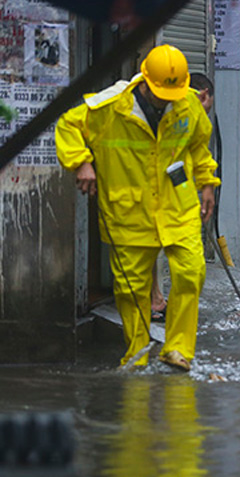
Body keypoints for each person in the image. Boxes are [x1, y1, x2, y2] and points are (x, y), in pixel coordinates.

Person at [56, 44, 219, 371]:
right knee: (132, 289)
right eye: (162, 93)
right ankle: (138, 350)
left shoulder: (187, 103)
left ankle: (178, 349)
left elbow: (199, 145)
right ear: (144, 80)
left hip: (178, 205)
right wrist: (81, 162)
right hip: (128, 210)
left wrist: (207, 184)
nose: (168, 99)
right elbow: (67, 125)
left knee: (191, 273)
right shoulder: (110, 107)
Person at [151, 71, 215, 322]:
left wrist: (206, 185)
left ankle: (162, 303)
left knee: (189, 265)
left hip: (178, 197)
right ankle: (154, 301)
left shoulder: (190, 118)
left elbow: (198, 153)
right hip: (151, 196)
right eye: (206, 106)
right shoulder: (172, 110)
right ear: (203, 95)